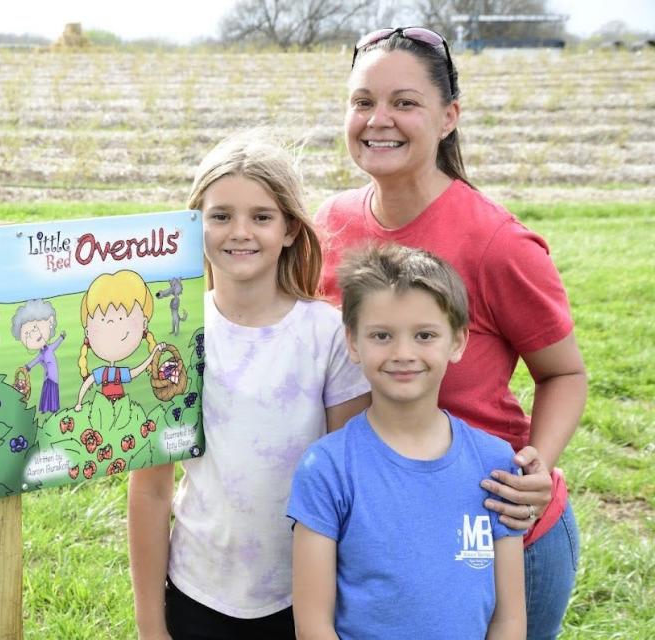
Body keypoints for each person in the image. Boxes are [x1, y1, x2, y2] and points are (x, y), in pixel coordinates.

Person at [315, 27, 587, 639]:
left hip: (496, 534)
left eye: (404, 102)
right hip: (378, 531)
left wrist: (534, 468)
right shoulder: (327, 225)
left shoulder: (497, 244)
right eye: (362, 102)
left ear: (448, 118)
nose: (378, 119)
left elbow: (564, 372)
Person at [128, 132, 370, 640]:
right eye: (221, 216)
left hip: (301, 598)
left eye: (261, 216)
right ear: (195, 224)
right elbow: (151, 492)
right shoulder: (173, 340)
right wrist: (152, 625)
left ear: (288, 229)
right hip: (197, 592)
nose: (241, 231)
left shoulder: (325, 335)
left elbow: (349, 484)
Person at [288, 243, 526, 639]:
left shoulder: (495, 462)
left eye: (424, 335)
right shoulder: (327, 468)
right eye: (381, 335)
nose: (403, 353)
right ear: (352, 342)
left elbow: (509, 618)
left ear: (458, 341)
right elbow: (313, 625)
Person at [74, 270, 164, 411]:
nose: (111, 325)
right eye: (103, 320)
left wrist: (153, 355)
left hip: (122, 408)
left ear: (144, 324)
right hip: (103, 409)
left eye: (122, 318)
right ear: (87, 332)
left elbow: (138, 370)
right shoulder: (102, 373)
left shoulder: (117, 374)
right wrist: (79, 402)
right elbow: (87, 383)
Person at [12, 299, 65, 413]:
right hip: (47, 377)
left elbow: (56, 343)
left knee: (52, 390)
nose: (35, 335)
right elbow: (35, 360)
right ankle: (45, 408)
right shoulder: (41, 354)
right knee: (46, 391)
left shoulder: (50, 348)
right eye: (27, 334)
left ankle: (54, 408)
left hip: (53, 376)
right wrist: (28, 367)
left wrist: (61, 337)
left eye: (36, 328)